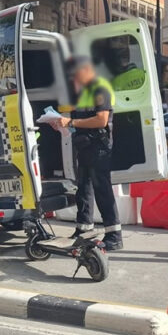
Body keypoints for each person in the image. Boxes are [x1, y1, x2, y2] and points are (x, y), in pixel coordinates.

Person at [53, 55, 122, 251]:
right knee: (84, 189)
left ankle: (114, 236)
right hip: (84, 146)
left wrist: (72, 122)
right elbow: (79, 120)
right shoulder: (84, 92)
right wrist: (63, 124)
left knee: (102, 190)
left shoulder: (100, 88)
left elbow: (101, 120)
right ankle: (83, 230)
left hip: (99, 147)